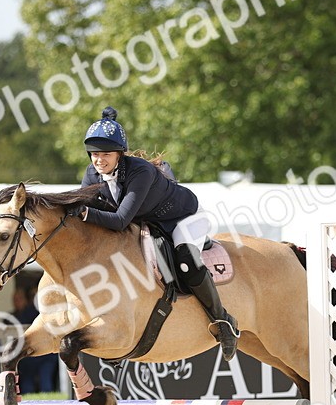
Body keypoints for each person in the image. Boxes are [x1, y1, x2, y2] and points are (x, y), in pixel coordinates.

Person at [78, 106, 238, 360]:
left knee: (185, 259)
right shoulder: (91, 174)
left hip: (184, 218)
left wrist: (85, 213)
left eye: (106, 154)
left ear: (120, 154)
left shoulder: (140, 171)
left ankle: (223, 321)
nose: (99, 161)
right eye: (95, 154)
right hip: (150, 223)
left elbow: (119, 220)